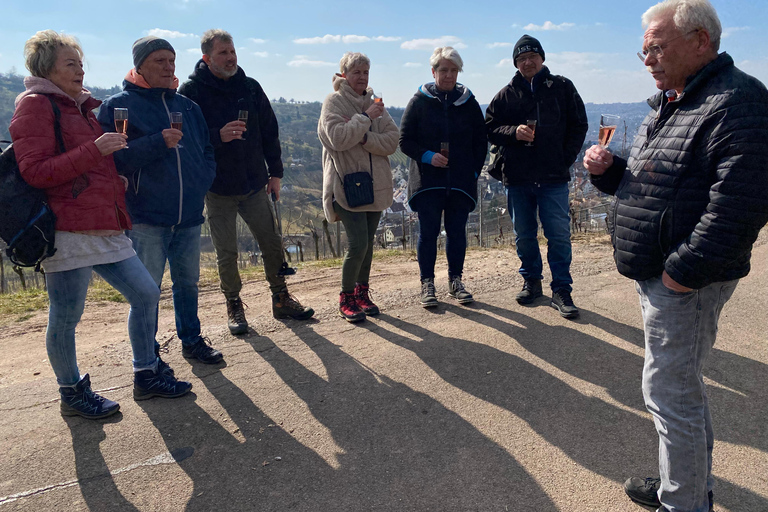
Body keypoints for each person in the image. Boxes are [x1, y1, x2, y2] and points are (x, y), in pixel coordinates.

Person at [583, 1, 768, 510]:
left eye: (657, 47)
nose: (647, 58)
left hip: (684, 281)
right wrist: (609, 172)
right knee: (680, 389)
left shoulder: (738, 102)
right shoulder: (678, 99)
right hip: (666, 274)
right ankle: (684, 485)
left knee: (670, 396)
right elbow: (655, 187)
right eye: (644, 49)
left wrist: (679, 275)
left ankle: (683, 502)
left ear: (700, 41)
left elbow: (741, 206)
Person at [10, 30, 191, 419]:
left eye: (80, 62)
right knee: (67, 314)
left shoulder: (79, 107)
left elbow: (91, 163)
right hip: (67, 229)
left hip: (104, 222)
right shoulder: (35, 106)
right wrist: (95, 150)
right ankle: (71, 391)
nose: (80, 69)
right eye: (70, 63)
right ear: (46, 68)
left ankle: (146, 373)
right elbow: (35, 171)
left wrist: (113, 178)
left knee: (145, 293)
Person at [178, 29, 314, 335]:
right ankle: (234, 305)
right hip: (217, 187)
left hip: (254, 182)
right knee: (226, 252)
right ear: (206, 58)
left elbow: (269, 131)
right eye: (223, 53)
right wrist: (218, 136)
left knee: (270, 243)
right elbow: (184, 137)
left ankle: (281, 298)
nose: (230, 58)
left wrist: (276, 173)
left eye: (232, 51)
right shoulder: (191, 91)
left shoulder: (250, 87)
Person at [97, 37, 222, 364]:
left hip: (189, 217)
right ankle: (148, 355)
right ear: (139, 67)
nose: (169, 67)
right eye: (160, 61)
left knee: (187, 284)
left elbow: (207, 150)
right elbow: (110, 161)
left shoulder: (189, 107)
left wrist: (202, 180)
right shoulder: (117, 107)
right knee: (147, 292)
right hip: (146, 218)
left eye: (172, 60)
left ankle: (192, 341)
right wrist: (157, 142)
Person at [485, 35, 588, 319]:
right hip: (518, 178)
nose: (527, 62)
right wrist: (513, 133)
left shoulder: (563, 87)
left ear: (542, 58)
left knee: (558, 236)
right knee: (525, 236)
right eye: (521, 58)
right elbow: (490, 128)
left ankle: (562, 290)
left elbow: (579, 125)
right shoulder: (506, 94)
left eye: (532, 56)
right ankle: (532, 282)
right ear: (515, 64)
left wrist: (563, 158)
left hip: (553, 177)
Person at [399, 47, 487, 308]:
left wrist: (472, 172)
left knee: (457, 232)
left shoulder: (468, 102)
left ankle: (455, 281)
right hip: (428, 180)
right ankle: (427, 284)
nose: (449, 75)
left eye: (453, 70)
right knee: (428, 232)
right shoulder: (418, 101)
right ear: (433, 71)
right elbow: (404, 141)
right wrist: (428, 156)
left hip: (460, 181)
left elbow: (480, 142)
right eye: (444, 70)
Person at [318, 52, 398, 322]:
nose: (362, 77)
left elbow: (392, 141)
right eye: (356, 72)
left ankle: (362, 293)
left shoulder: (375, 101)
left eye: (366, 72)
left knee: (368, 246)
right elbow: (338, 139)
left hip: (376, 187)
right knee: (358, 244)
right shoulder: (334, 102)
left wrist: (363, 138)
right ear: (343, 75)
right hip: (346, 184)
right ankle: (346, 296)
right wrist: (365, 117)